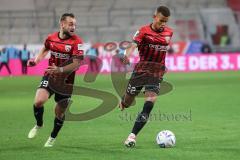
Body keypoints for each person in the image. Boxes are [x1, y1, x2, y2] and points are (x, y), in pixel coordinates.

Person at [119, 6, 173, 148]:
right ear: (154, 16)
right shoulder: (143, 31)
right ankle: (124, 100)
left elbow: (162, 50)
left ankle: (132, 136)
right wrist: (126, 55)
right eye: (161, 20)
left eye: (166, 21)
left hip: (156, 72)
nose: (163, 24)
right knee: (128, 102)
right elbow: (133, 45)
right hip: (141, 70)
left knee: (151, 101)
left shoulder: (169, 32)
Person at [27, 13, 84, 147]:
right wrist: (36, 61)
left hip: (66, 82)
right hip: (50, 75)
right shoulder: (51, 38)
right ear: (62, 24)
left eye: (75, 25)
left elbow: (77, 63)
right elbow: (46, 48)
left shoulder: (77, 42)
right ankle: (38, 124)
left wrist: (60, 70)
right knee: (39, 101)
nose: (73, 27)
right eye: (70, 24)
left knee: (59, 113)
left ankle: (52, 136)